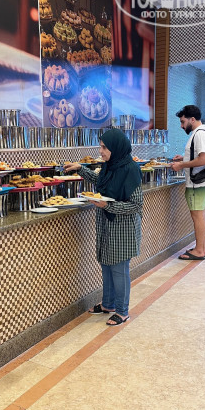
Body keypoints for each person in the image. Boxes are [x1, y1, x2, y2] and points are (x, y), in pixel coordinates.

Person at [64, 129, 143, 326]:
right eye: (101, 147)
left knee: (119, 269)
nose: (100, 151)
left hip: (123, 227)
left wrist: (108, 205)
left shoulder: (131, 170)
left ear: (116, 148)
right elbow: (100, 180)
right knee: (106, 264)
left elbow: (136, 205)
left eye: (104, 147)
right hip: (106, 224)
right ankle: (108, 304)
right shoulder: (110, 166)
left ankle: (122, 311)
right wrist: (80, 168)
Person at [170, 105, 205, 260]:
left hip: (197, 183)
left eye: (183, 122)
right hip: (199, 182)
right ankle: (201, 248)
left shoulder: (200, 134)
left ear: (192, 119)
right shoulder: (200, 132)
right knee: (199, 215)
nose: (182, 126)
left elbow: (204, 159)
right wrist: (184, 158)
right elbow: (199, 156)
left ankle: (200, 250)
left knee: (197, 215)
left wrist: (182, 165)